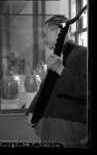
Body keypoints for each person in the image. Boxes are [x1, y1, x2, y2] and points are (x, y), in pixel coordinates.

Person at [26, 15, 88, 147]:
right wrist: (33, 110)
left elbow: (86, 88)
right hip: (50, 128)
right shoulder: (57, 56)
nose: (43, 39)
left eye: (45, 34)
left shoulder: (83, 54)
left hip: (70, 131)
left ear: (58, 31)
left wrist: (60, 69)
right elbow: (45, 87)